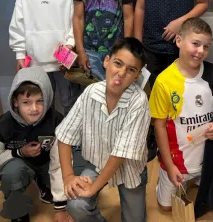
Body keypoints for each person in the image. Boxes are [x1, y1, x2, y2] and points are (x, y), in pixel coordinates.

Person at [56, 37, 150, 222]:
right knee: (76, 204)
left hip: (129, 169)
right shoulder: (90, 92)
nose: (121, 73)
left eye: (131, 70)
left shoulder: (139, 102)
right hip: (97, 162)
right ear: (106, 61)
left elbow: (120, 155)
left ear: (137, 76)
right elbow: (64, 136)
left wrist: (93, 188)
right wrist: (68, 176)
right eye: (118, 63)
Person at [149, 17, 213, 212]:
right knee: (165, 208)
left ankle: (198, 177)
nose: (201, 51)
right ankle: (169, 178)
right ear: (179, 40)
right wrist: (169, 165)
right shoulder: (163, 81)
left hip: (209, 157)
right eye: (195, 44)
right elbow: (159, 126)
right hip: (177, 161)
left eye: (206, 46)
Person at [0, 66, 71, 222]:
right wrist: (20, 152)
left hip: (47, 162)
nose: (34, 108)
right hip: (18, 163)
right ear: (15, 102)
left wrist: (60, 208)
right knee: (12, 174)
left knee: (72, 178)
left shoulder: (57, 121)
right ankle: (18, 213)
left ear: (48, 99)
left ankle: (43, 182)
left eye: (40, 101)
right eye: (26, 102)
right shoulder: (1, 126)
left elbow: (59, 163)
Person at [9, 0, 80, 115]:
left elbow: (76, 22)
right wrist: (19, 54)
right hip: (36, 62)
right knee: (43, 104)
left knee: (70, 102)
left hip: (64, 61)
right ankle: (48, 132)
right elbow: (17, 24)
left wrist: (70, 44)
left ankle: (71, 133)